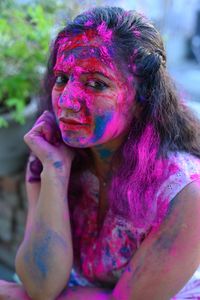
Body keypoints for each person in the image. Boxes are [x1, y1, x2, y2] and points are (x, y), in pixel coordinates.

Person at [1, 6, 200, 300]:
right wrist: (54, 173)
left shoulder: (184, 194)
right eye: (61, 79)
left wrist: (15, 294)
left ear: (143, 97)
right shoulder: (53, 153)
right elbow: (41, 285)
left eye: (96, 83)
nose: (67, 102)